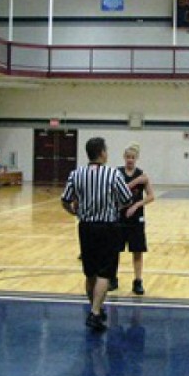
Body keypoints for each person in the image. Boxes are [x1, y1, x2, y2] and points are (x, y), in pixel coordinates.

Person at [61, 137, 133, 332]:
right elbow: (127, 199)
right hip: (107, 227)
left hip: (85, 227)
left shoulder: (76, 174)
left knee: (90, 272)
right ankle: (95, 312)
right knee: (105, 272)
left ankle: (96, 310)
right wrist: (112, 205)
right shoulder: (113, 174)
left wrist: (75, 212)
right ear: (102, 152)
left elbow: (65, 200)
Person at [113, 143, 154, 295]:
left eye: (133, 157)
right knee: (115, 250)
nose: (130, 160)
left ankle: (137, 281)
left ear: (136, 158)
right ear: (124, 158)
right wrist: (136, 182)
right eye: (128, 157)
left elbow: (151, 196)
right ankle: (113, 279)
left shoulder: (142, 174)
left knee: (137, 250)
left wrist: (137, 205)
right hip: (118, 216)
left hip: (136, 218)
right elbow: (118, 191)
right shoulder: (116, 173)